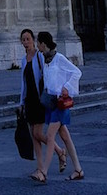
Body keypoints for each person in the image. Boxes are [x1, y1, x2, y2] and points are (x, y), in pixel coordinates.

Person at [32, 30, 84, 182]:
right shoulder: (45, 59)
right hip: (50, 102)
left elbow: (76, 72)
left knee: (49, 135)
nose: (37, 46)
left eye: (38, 43)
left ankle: (43, 172)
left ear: (43, 43)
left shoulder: (59, 58)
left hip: (60, 103)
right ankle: (78, 169)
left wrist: (67, 87)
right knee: (66, 138)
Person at [18, 29, 67, 177]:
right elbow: (23, 83)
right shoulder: (23, 59)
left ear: (33, 40)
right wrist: (21, 102)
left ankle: (59, 151)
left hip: (40, 99)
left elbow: (48, 74)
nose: (25, 42)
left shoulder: (39, 56)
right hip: (29, 100)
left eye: (28, 39)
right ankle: (40, 167)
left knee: (38, 133)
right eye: (23, 40)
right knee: (35, 137)